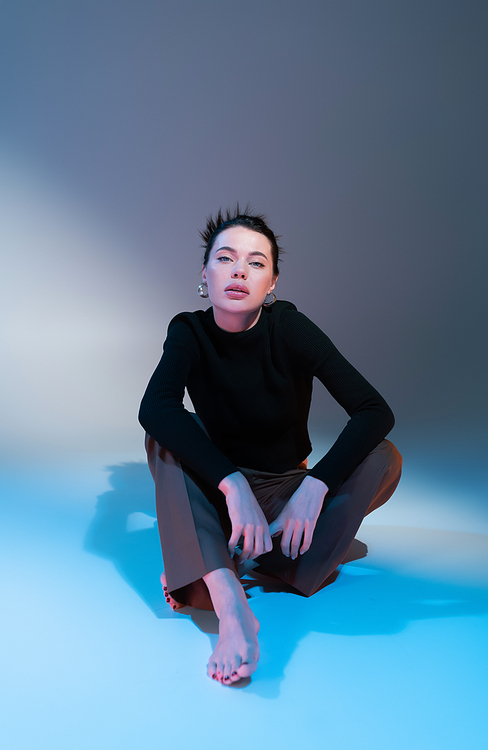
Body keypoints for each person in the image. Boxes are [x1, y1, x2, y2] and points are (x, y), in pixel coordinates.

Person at [138, 207, 402, 686]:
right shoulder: (189, 332)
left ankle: (222, 557)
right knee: (169, 434)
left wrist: (316, 486)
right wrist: (232, 484)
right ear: (205, 275)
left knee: (385, 456)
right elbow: (154, 408)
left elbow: (374, 410)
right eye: (226, 258)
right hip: (218, 491)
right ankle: (230, 602)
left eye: (256, 263)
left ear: (273, 282)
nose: (240, 270)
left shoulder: (290, 328)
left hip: (287, 494)